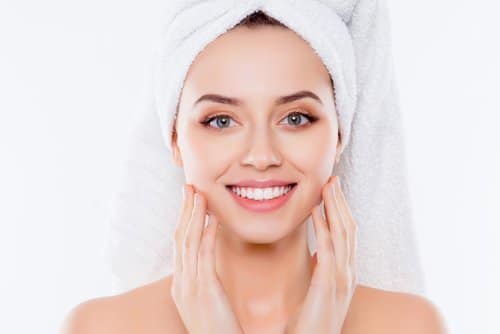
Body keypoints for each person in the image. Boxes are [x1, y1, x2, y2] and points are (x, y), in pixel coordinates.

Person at [60, 10, 447, 334]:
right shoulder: (100, 327)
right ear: (175, 139)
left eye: (296, 118)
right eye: (221, 121)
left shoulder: (411, 326)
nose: (261, 156)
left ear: (341, 134)